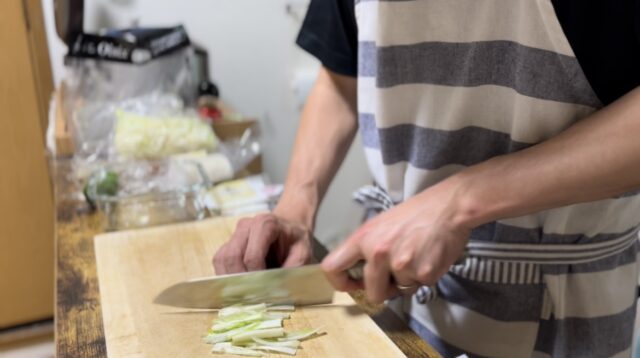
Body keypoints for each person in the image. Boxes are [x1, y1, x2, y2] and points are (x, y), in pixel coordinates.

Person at [213, 0, 640, 356]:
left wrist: (462, 200)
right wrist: (295, 209)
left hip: (559, 316)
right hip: (398, 299)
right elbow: (344, 73)